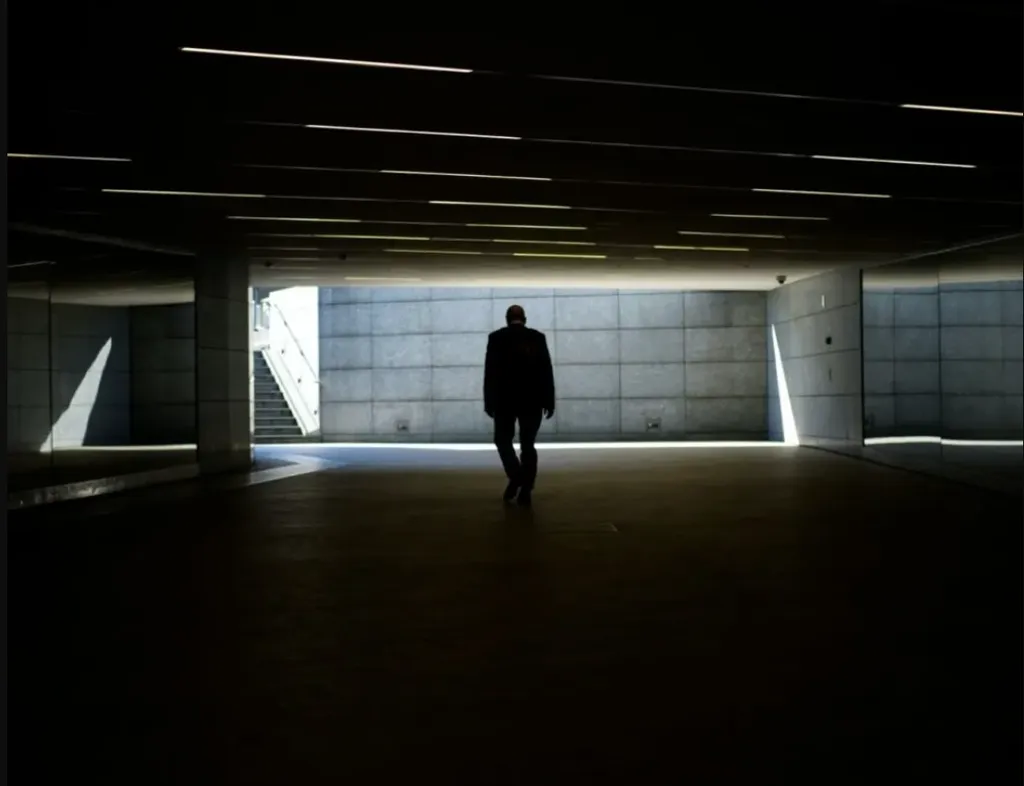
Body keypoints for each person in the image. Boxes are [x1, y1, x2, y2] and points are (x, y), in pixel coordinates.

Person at [483, 304, 556, 506]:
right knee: (528, 445)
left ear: (507, 319)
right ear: (525, 318)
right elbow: (546, 371)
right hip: (532, 401)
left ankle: (516, 476)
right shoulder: (537, 338)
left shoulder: (496, 338)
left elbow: (490, 373)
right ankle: (526, 488)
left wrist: (489, 401)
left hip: (504, 401)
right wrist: (549, 401)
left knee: (502, 440)